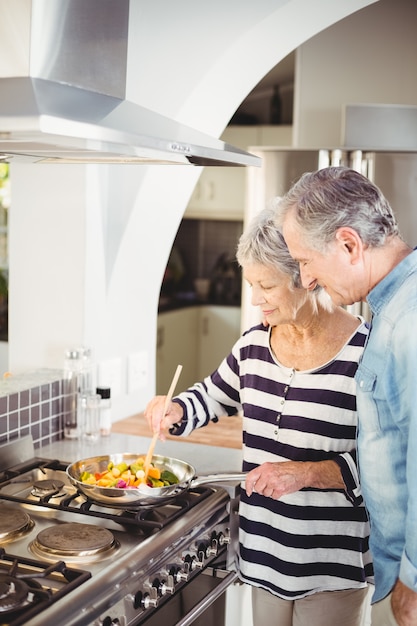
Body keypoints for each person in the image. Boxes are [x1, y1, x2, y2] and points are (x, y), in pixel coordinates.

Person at [145, 206, 373, 626]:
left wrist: (303, 474)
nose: (255, 299)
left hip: (329, 564)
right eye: (252, 284)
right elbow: (212, 397)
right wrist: (175, 409)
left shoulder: (366, 353)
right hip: (263, 554)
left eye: (266, 285)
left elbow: (386, 466)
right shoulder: (253, 346)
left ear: (306, 275)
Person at [275, 165, 417, 626]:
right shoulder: (392, 309)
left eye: (306, 261)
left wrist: (413, 582)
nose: (307, 279)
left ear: (349, 245)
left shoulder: (408, 324)